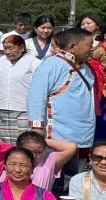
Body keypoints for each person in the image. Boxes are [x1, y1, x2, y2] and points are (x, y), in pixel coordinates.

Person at [26, 28, 96, 177]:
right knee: (55, 178)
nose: (92, 48)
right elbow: (36, 97)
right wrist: (37, 129)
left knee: (76, 179)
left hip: (83, 135)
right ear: (72, 46)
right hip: (58, 136)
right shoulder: (52, 65)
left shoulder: (86, 67)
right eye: (89, 44)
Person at [0, 33, 40, 143]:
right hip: (2, 108)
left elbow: (40, 84)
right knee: (3, 139)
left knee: (22, 140)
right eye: (5, 48)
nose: (8, 52)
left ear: (22, 48)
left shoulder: (33, 62)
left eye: (11, 48)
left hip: (23, 109)